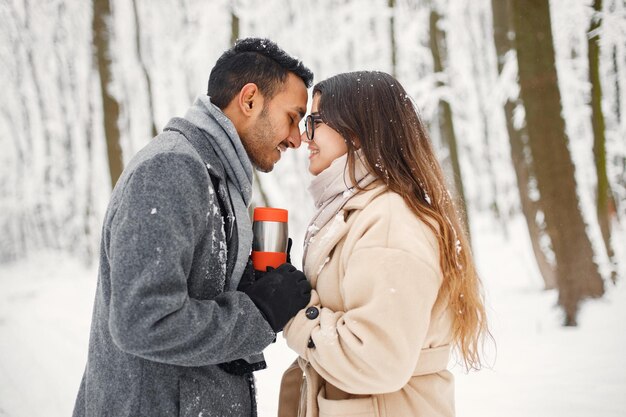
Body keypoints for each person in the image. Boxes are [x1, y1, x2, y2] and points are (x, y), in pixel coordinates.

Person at [73, 38, 313, 417]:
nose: (297, 139)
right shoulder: (171, 169)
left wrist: (251, 285)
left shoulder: (214, 177)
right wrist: (259, 313)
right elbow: (145, 321)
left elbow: (195, 295)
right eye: (293, 116)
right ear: (249, 100)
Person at [278, 71, 491, 417]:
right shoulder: (363, 211)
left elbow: (376, 359)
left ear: (357, 133)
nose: (304, 136)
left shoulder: (390, 220)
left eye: (315, 122)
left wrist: (295, 313)